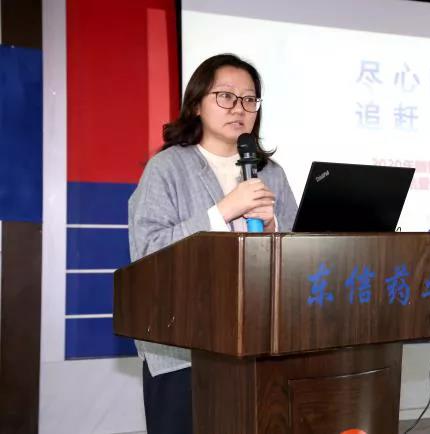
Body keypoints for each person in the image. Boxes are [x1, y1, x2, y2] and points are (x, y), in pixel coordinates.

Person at [128, 53, 298, 434]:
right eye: (226, 96)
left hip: (261, 346)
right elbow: (148, 253)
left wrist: (275, 230)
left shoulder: (271, 173)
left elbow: (298, 256)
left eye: (249, 99)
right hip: (184, 351)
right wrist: (222, 211)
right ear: (196, 104)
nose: (239, 107)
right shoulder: (166, 168)